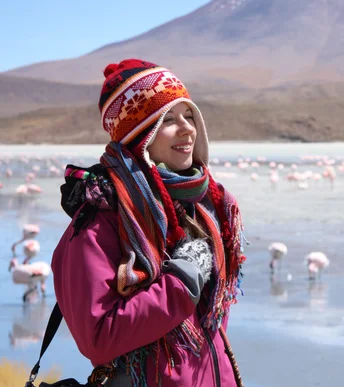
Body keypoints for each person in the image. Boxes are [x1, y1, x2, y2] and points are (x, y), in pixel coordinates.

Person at [51, 59, 247, 387]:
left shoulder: (209, 209)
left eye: (189, 115)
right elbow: (97, 339)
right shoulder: (100, 223)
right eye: (167, 119)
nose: (187, 129)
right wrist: (180, 284)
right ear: (140, 135)